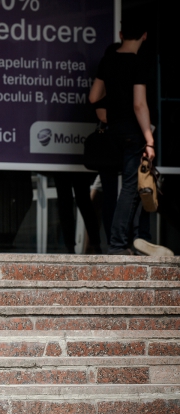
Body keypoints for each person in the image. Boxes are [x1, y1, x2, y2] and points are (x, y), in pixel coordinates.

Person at [89, 17, 172, 256]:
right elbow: (139, 105)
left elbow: (94, 97)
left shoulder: (108, 60)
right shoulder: (138, 64)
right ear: (144, 36)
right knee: (130, 188)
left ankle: (125, 241)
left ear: (121, 33)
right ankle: (118, 244)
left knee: (124, 188)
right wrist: (149, 139)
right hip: (132, 133)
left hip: (113, 130)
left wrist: (112, 100)